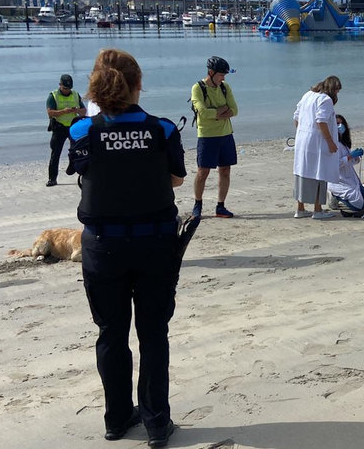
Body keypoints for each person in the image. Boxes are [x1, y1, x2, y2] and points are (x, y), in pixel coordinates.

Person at [66, 49, 185, 448]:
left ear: (95, 90)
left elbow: (83, 171)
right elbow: (175, 180)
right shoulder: (163, 129)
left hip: (103, 246)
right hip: (154, 242)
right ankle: (155, 422)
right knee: (153, 334)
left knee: (110, 333)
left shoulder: (83, 130)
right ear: (138, 85)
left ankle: (117, 419)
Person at [191, 56, 238, 218]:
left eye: (225, 75)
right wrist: (221, 111)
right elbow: (202, 113)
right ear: (210, 72)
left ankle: (221, 206)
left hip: (225, 135)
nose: (223, 78)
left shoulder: (225, 87)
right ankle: (197, 204)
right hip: (207, 136)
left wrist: (215, 113)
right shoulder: (198, 88)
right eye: (221, 75)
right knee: (202, 172)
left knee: (225, 170)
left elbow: (235, 110)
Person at [293, 75, 342, 219]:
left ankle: (300, 208)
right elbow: (321, 121)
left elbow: (296, 117)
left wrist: (302, 133)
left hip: (303, 139)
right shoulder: (325, 100)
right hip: (318, 142)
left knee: (302, 172)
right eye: (337, 91)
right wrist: (330, 142)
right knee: (319, 173)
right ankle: (317, 209)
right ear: (333, 89)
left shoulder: (308, 95)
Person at [45, 73, 85, 186]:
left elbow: (84, 111)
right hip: (59, 127)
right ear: (60, 85)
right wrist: (64, 111)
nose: (67, 90)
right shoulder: (53, 95)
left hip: (73, 127)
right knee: (55, 153)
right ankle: (52, 178)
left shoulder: (75, 95)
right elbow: (50, 113)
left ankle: (75, 168)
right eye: (65, 88)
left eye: (69, 88)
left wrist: (76, 110)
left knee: (78, 150)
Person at [328, 115, 364, 213]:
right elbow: (334, 165)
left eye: (342, 123)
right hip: (339, 180)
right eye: (337, 124)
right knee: (359, 206)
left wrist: (356, 156)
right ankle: (335, 195)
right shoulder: (333, 144)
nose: (340, 126)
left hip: (350, 178)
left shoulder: (344, 143)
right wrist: (350, 156)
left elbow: (349, 162)